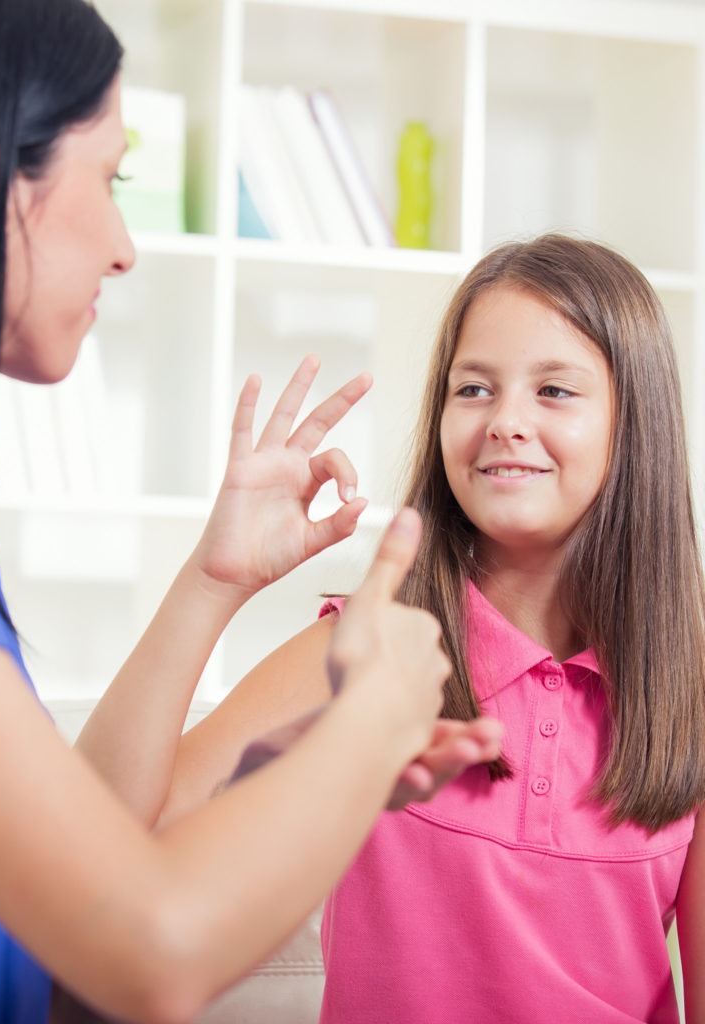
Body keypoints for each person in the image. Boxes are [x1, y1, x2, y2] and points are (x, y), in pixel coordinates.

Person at [0, 1, 503, 1021]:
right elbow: (144, 953)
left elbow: (61, 901)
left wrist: (217, 589)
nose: (123, 248)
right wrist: (371, 719)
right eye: (108, 180)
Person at [162, 234, 705, 1023]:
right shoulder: (361, 652)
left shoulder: (686, 698)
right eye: (474, 388)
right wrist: (208, 586)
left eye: (555, 391)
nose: (505, 422)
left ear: (635, 426)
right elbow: (111, 840)